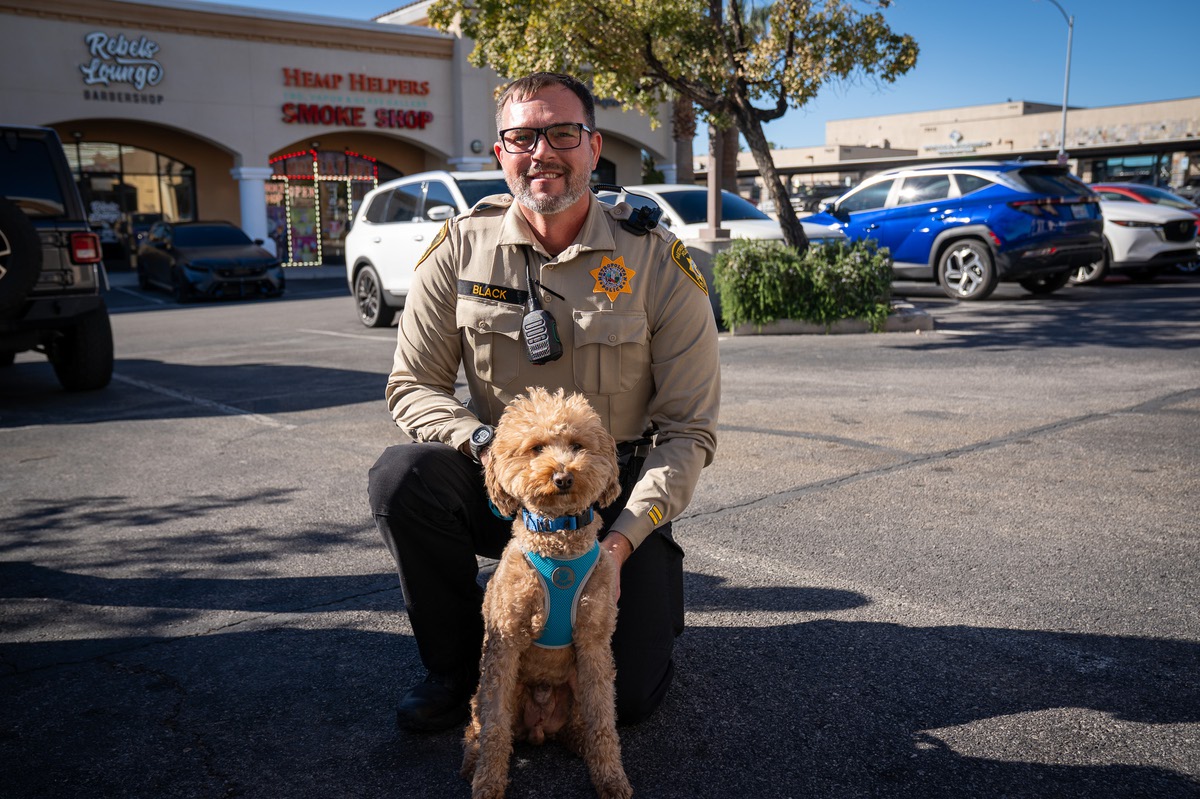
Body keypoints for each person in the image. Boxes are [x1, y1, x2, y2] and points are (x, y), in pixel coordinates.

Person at [368, 72, 719, 733]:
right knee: (402, 476)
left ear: (593, 146)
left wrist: (618, 546)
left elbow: (688, 431)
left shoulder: (657, 261)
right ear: (499, 153)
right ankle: (455, 664)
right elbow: (411, 383)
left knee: (628, 701)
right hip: (504, 482)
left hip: (614, 496)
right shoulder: (459, 250)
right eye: (522, 136)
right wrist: (485, 447)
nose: (542, 152)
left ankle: (641, 595)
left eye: (562, 133)